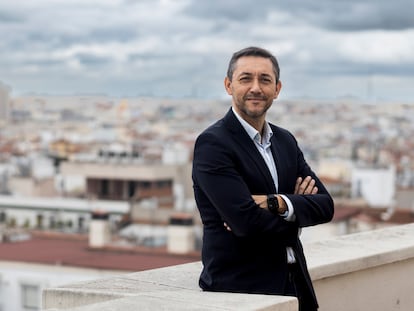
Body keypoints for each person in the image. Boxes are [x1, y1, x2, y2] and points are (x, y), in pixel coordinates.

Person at [192, 46, 334, 311]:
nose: (256, 87)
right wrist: (297, 211)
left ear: (277, 89)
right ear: (228, 85)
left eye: (265, 79)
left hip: (296, 286)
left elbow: (326, 205)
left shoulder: (285, 141)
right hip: (241, 292)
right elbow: (245, 223)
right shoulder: (213, 144)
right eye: (245, 78)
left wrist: (277, 203)